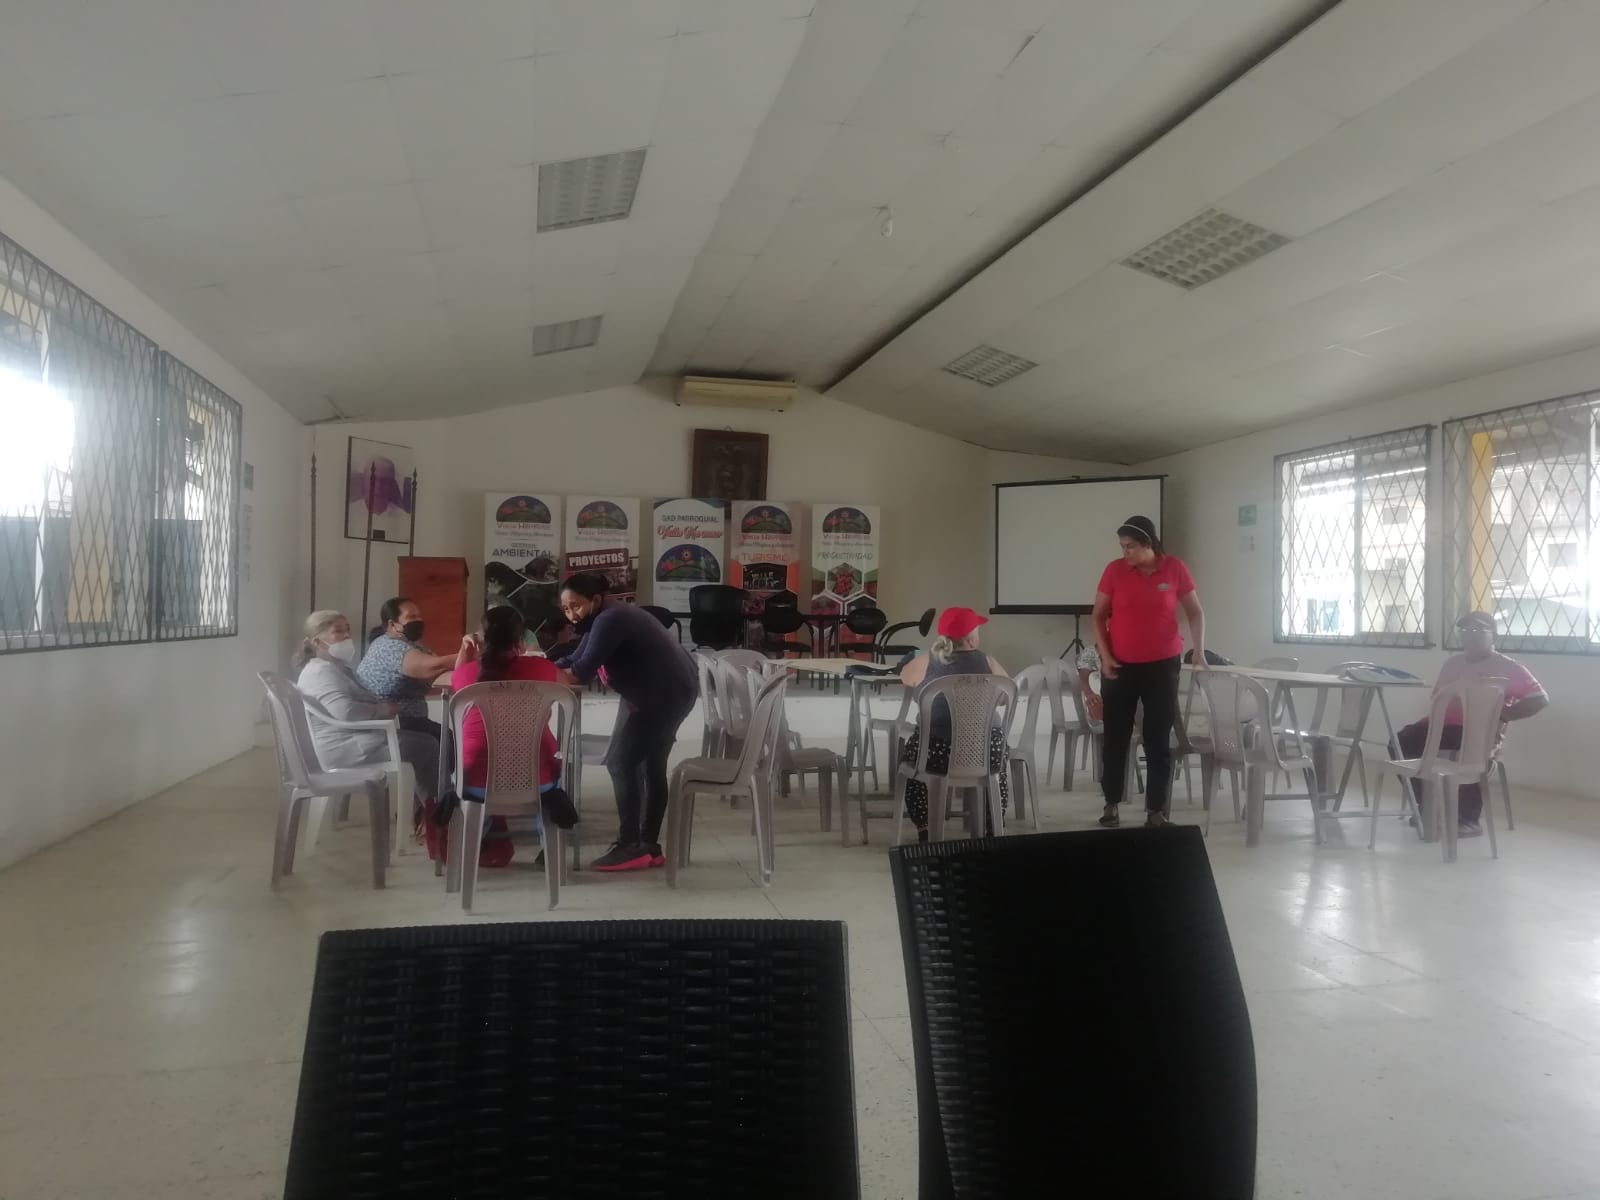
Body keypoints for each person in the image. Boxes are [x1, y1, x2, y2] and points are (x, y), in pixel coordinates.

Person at [550, 572, 699, 872]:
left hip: (663, 695)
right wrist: (541, 664)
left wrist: (540, 673)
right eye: (565, 608)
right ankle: (648, 847)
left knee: (621, 763)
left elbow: (580, 672)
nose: (571, 614)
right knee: (650, 765)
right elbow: (574, 658)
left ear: (595, 599)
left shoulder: (610, 619)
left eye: (576, 606)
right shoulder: (604, 616)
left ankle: (631, 845)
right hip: (672, 690)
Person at [1092, 515, 1206, 829]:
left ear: (1148, 544)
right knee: (1116, 737)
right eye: (1122, 546)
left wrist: (1198, 648)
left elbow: (1195, 612)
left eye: (1130, 546)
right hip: (1120, 666)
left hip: (1162, 666)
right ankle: (1111, 803)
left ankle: (1157, 810)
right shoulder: (1115, 571)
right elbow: (1098, 616)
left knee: (1157, 738)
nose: (1125, 552)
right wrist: (1105, 656)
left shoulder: (1174, 568)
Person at [1397, 610, 1548, 837]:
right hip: (1440, 726)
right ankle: (1429, 805)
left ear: (1494, 635)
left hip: (1478, 730)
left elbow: (1539, 699)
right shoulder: (1452, 664)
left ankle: (1467, 818)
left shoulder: (1508, 667)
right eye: (1465, 630)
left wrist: (1501, 716)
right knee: (1401, 742)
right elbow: (1439, 697)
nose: (1470, 635)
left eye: (1479, 630)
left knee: (1473, 750)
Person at [447, 605, 577, 868]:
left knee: (475, 764)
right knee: (552, 766)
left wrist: (467, 652)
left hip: (474, 781)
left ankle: (477, 841)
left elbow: (456, 682)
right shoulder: (542, 669)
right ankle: (549, 848)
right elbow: (567, 686)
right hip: (537, 780)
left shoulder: (466, 673)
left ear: (482, 639)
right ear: (520, 641)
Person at [293, 609, 439, 818]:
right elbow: (346, 711)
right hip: (343, 748)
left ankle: (429, 809)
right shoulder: (320, 672)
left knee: (425, 739)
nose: (346, 636)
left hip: (351, 739)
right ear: (317, 642)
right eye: (338, 631)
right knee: (428, 745)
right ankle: (434, 815)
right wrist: (383, 710)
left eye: (347, 630)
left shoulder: (333, 667)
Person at [897, 607, 1010, 840]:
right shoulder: (988, 661)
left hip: (936, 754)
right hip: (986, 753)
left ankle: (925, 827)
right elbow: (1006, 695)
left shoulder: (926, 661)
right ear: (972, 640)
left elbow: (905, 677)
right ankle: (993, 827)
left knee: (910, 758)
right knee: (998, 767)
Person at [357, 597, 458, 739]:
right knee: (447, 741)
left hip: (411, 721)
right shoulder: (389, 646)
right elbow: (432, 666)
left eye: (419, 616)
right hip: (391, 724)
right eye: (411, 617)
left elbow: (438, 672)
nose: (419, 620)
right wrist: (469, 654)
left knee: (449, 739)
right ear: (392, 624)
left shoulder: (413, 645)